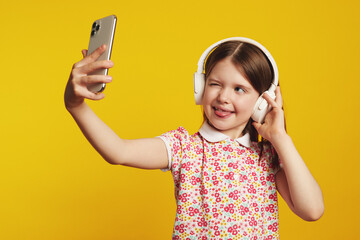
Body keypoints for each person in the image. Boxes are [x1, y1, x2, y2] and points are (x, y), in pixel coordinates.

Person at [64, 38, 324, 239]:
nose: (223, 97)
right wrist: (76, 106)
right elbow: (118, 151)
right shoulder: (183, 148)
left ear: (262, 101)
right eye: (215, 84)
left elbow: (312, 210)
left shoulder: (267, 157)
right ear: (200, 88)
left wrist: (281, 138)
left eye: (239, 89)